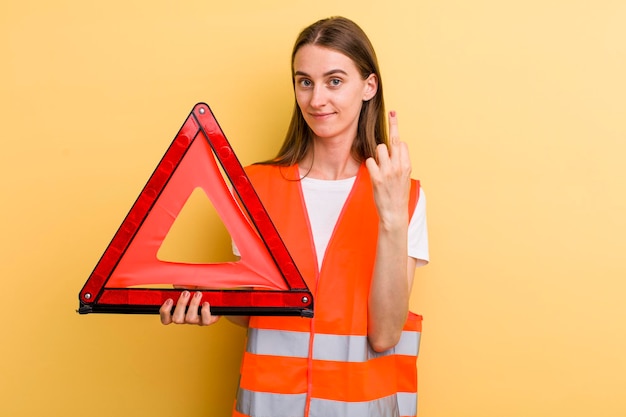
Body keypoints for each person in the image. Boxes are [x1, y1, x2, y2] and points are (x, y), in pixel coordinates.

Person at [159, 16, 429, 417]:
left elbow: (386, 332)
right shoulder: (256, 187)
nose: (316, 99)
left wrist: (390, 217)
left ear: (368, 87)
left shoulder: (404, 195)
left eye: (334, 81)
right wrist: (208, 305)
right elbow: (260, 308)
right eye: (305, 82)